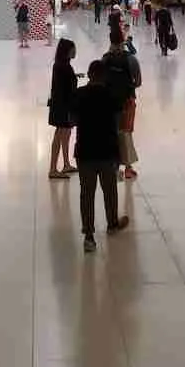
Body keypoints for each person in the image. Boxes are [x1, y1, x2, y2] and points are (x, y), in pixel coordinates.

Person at [71, 60, 129, 252]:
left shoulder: (79, 95)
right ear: (104, 76)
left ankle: (89, 236)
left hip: (85, 152)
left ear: (89, 75)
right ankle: (112, 223)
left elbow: (72, 119)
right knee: (109, 190)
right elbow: (120, 120)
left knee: (87, 194)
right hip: (107, 151)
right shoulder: (111, 96)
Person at [103, 26, 141, 180]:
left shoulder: (105, 58)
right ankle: (128, 168)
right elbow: (138, 82)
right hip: (127, 101)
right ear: (123, 40)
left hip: (109, 102)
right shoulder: (131, 59)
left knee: (112, 133)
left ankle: (113, 166)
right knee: (126, 133)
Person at [48, 38, 78, 179]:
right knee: (60, 134)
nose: (75, 51)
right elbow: (65, 89)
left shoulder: (61, 65)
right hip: (63, 107)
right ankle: (53, 168)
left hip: (61, 105)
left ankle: (66, 163)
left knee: (65, 134)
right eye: (73, 49)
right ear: (67, 51)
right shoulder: (64, 67)